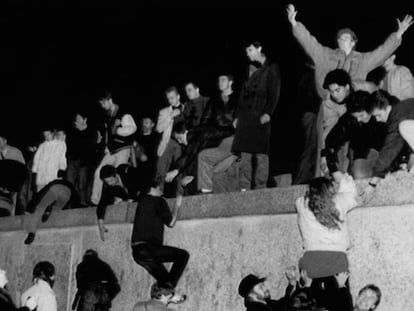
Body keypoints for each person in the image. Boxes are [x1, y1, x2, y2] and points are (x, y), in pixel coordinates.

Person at [287, 4, 413, 176]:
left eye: (345, 38)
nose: (341, 40)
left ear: (353, 42)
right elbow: (310, 42)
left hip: (353, 105)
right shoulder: (326, 54)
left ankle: (350, 175)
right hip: (331, 105)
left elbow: (382, 52)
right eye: (339, 38)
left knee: (352, 142)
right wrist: (295, 24)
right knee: (328, 141)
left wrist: (398, 34)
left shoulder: (362, 60)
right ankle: (326, 176)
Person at [295, 172, 357, 309]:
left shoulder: (301, 204)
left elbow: (304, 199)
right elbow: (351, 191)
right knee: (339, 305)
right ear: (329, 190)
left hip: (311, 261)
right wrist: (338, 174)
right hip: (336, 260)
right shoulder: (338, 203)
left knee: (307, 304)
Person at [232, 40, 281, 190]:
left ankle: (260, 188)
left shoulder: (272, 68)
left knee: (261, 154)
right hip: (245, 116)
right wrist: (237, 116)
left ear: (259, 48)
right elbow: (242, 94)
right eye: (247, 51)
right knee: (245, 155)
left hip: (260, 115)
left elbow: (275, 92)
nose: (248, 53)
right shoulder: (249, 69)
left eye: (250, 50)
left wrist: (268, 113)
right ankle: (244, 188)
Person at [131, 182, 189, 291]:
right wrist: (177, 204)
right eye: (159, 188)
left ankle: (165, 292)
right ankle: (168, 290)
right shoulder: (158, 200)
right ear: (152, 189)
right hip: (149, 249)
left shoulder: (142, 201)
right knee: (182, 255)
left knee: (165, 282)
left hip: (137, 253)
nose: (161, 190)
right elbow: (171, 223)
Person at [323, 91, 386, 179]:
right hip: (359, 155)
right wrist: (334, 170)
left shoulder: (381, 116)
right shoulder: (349, 119)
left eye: (362, 115)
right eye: (355, 117)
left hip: (383, 153)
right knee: (358, 173)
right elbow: (330, 141)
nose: (358, 119)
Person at [91, 91, 137, 205]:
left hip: (123, 148)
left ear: (109, 100)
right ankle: (95, 200)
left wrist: (118, 131)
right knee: (99, 171)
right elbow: (108, 133)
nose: (102, 106)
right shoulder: (109, 116)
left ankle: (120, 196)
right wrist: (106, 146)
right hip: (112, 150)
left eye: (103, 103)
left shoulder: (123, 113)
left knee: (118, 171)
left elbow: (132, 128)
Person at [197, 74, 238, 193]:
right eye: (219, 80)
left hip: (233, 138)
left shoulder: (238, 99)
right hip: (217, 139)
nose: (220, 82)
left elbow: (244, 115)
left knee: (205, 158)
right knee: (214, 169)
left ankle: (206, 191)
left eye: (223, 80)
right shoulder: (214, 101)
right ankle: (208, 195)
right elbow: (204, 121)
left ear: (230, 82)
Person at [367, 90, 414, 186]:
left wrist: (374, 180)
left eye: (378, 115)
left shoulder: (398, 115)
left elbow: (390, 148)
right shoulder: (402, 108)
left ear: (387, 107)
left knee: (404, 126)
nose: (377, 119)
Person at [23, 179, 80, 245]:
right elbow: (76, 198)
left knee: (40, 207)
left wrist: (29, 208)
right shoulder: (70, 185)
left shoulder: (51, 184)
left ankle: (31, 233)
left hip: (55, 188)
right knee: (57, 209)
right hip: (67, 192)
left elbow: (40, 194)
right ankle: (50, 211)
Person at [97, 164, 143, 241]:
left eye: (111, 180)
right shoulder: (108, 185)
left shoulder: (126, 171)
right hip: (130, 198)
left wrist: (133, 199)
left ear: (116, 175)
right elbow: (102, 203)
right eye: (107, 182)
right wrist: (101, 224)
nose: (110, 184)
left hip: (142, 191)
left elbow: (142, 182)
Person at [66, 112, 99, 206]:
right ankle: (69, 203)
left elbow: (91, 146)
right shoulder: (73, 132)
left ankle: (83, 202)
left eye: (79, 119)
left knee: (82, 184)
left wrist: (80, 148)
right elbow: (69, 146)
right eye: (76, 119)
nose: (76, 121)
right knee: (69, 183)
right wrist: (68, 157)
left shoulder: (91, 131)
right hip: (72, 160)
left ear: (85, 119)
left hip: (84, 162)